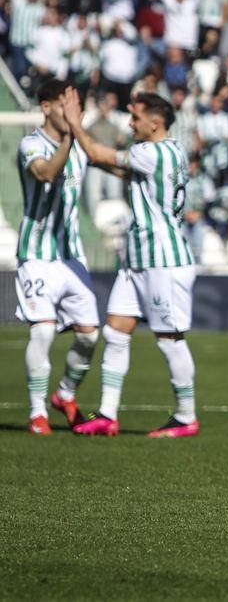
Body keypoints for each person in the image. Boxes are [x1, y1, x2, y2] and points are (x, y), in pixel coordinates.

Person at [63, 89, 199, 438]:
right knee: (116, 331)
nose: (129, 122)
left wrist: (76, 125)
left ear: (156, 123)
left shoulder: (150, 153)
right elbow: (111, 165)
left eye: (136, 117)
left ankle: (186, 416)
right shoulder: (173, 152)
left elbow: (96, 153)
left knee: (170, 339)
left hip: (163, 260)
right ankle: (108, 414)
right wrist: (89, 151)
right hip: (139, 258)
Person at [15, 79, 100, 435]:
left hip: (72, 257)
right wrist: (70, 136)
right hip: (37, 256)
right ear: (47, 107)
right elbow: (46, 173)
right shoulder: (30, 144)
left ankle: (65, 394)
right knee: (44, 332)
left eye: (76, 105)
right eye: (65, 105)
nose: (72, 113)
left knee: (90, 337)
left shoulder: (80, 146)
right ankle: (37, 413)